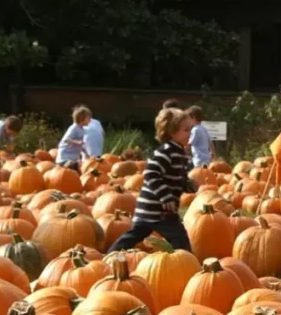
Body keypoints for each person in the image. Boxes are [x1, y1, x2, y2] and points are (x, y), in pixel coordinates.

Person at [107, 107, 196, 253]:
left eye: (190, 130)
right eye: (186, 130)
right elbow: (151, 174)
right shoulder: (165, 152)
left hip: (161, 211)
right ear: (172, 133)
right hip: (154, 209)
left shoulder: (179, 153)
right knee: (178, 237)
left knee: (136, 235)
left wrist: (187, 185)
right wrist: (166, 197)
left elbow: (177, 176)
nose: (190, 134)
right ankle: (111, 255)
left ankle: (113, 252)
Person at [55, 106, 92, 172]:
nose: (90, 120)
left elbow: (81, 145)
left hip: (72, 159)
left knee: (79, 169)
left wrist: (86, 153)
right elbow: (66, 139)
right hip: (65, 158)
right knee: (77, 169)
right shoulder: (73, 128)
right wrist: (76, 142)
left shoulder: (82, 130)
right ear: (82, 118)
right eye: (88, 118)